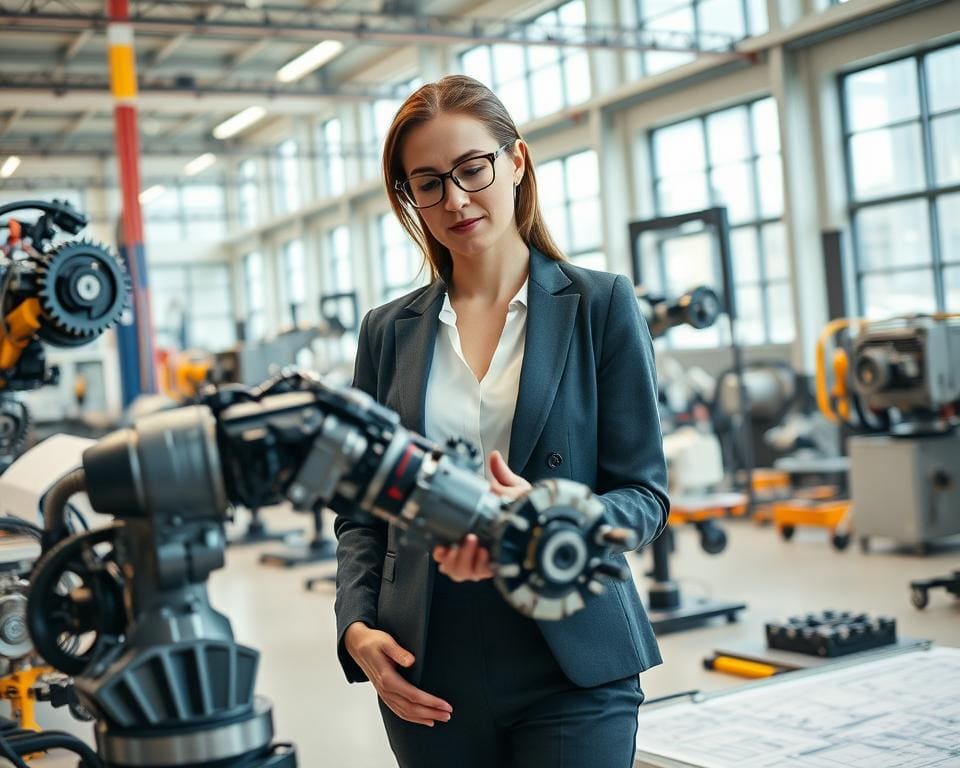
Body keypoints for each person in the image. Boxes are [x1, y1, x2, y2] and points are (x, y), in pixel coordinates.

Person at [333, 74, 669, 768]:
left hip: (573, 655)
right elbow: (360, 513)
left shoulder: (601, 305)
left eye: (471, 169)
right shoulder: (386, 333)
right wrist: (356, 630)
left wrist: (558, 517)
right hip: (428, 662)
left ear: (515, 161)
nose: (455, 199)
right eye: (427, 183)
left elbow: (644, 496)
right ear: (409, 199)